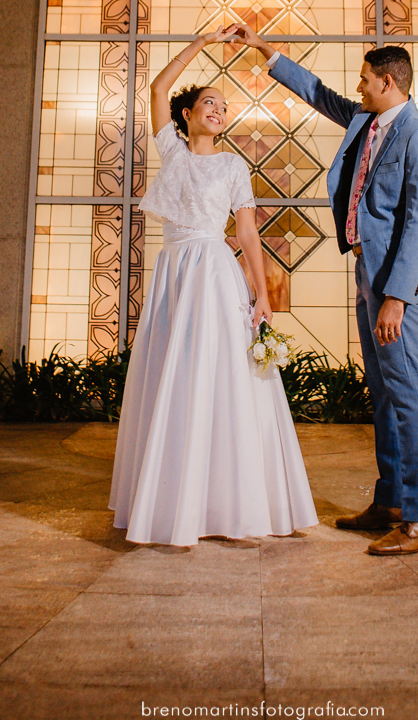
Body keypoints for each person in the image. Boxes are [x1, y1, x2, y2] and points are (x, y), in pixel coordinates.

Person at [231, 24, 418, 556]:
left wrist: (396, 295)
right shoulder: (365, 120)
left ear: (391, 83)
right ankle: (391, 502)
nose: (359, 87)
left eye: (366, 80)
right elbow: (317, 92)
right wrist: (264, 50)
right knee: (383, 393)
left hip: (396, 284)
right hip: (364, 275)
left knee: (408, 392)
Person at [109, 27, 318, 546]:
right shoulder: (173, 153)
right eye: (209, 102)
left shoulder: (232, 165)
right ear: (188, 115)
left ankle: (231, 504)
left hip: (216, 274)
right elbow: (157, 89)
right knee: (174, 377)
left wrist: (264, 296)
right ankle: (174, 501)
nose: (218, 110)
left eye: (224, 107)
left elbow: (246, 232)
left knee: (223, 377)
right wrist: (201, 43)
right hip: (174, 275)